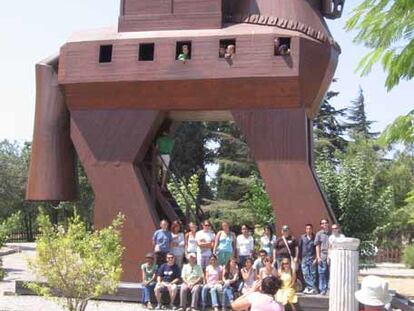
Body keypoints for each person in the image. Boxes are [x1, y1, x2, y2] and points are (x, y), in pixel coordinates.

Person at [299, 224, 318, 294]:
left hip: (312, 258)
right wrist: (299, 258)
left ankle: (311, 288)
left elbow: (317, 249)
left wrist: (316, 258)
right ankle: (310, 287)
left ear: (312, 229)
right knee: (305, 274)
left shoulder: (315, 237)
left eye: (310, 229)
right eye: (307, 229)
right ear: (305, 230)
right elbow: (299, 248)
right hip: (304, 258)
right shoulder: (302, 237)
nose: (308, 230)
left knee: (313, 274)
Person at [314, 218, 331, 295]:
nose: (324, 224)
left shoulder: (332, 234)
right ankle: (322, 289)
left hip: (331, 255)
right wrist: (318, 257)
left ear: (328, 224)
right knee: (322, 273)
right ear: (321, 225)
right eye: (322, 223)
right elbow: (317, 246)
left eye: (325, 223)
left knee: (331, 272)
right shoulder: (319, 234)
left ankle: (329, 288)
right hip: (322, 255)